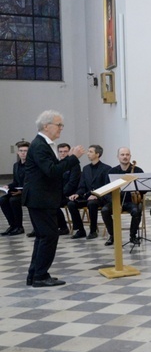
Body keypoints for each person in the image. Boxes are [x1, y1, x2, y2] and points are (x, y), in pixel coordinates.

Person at [22, 110, 85, 287]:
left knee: (44, 237)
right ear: (46, 126)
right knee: (49, 236)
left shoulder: (44, 144)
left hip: (43, 198)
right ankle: (40, 276)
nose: (61, 128)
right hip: (40, 199)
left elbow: (54, 167)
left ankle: (35, 275)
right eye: (59, 125)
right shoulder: (40, 145)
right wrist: (73, 158)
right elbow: (51, 171)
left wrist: (69, 158)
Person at [101, 147, 144, 246]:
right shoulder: (112, 171)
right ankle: (113, 235)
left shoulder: (137, 170)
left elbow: (144, 191)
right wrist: (113, 202)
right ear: (118, 157)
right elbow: (106, 191)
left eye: (127, 154)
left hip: (131, 201)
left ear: (130, 156)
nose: (125, 157)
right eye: (122, 155)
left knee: (136, 211)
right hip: (115, 200)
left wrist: (138, 190)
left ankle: (133, 236)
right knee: (104, 210)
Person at [67, 145, 111, 240]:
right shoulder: (86, 168)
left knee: (92, 203)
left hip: (100, 198)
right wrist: (77, 194)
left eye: (90, 151)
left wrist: (96, 195)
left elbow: (107, 186)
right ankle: (80, 230)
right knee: (71, 203)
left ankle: (93, 231)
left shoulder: (106, 168)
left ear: (97, 154)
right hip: (87, 196)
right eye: (88, 151)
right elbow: (82, 186)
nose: (88, 153)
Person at [1, 141, 29, 236]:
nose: (23, 153)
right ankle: (12, 225)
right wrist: (8, 186)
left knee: (14, 200)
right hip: (17, 190)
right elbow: (16, 181)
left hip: (28, 192)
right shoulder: (16, 165)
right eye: (21, 150)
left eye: (25, 151)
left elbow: (33, 183)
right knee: (2, 200)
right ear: (18, 152)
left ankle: (19, 227)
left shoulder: (32, 165)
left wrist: (21, 191)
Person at [55, 143, 80, 235]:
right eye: (60, 152)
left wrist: (61, 193)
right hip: (58, 194)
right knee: (48, 203)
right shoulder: (57, 165)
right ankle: (61, 226)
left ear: (69, 152)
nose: (63, 154)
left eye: (65, 151)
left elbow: (72, 183)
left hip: (71, 194)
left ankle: (64, 227)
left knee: (54, 203)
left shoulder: (74, 165)